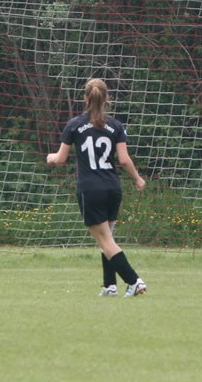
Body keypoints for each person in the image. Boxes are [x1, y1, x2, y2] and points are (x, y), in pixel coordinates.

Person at [47, 78, 148, 297]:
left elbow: (61, 158)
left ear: (85, 98)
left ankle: (134, 281)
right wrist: (137, 178)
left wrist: (50, 157)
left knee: (105, 240)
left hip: (91, 189)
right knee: (107, 237)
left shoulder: (75, 124)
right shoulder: (116, 126)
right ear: (107, 98)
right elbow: (124, 160)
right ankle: (109, 286)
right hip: (113, 187)